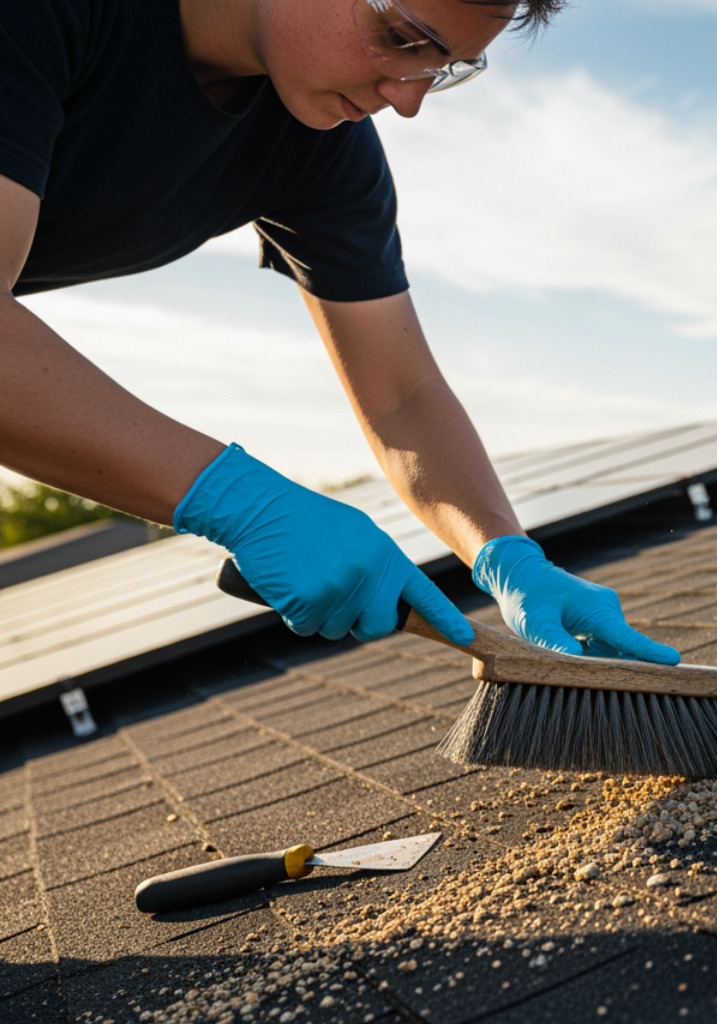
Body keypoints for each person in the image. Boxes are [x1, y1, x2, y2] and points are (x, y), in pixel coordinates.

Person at [0, 0, 678, 664]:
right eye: (402, 38)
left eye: (444, 68)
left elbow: (401, 393)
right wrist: (238, 501)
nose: (407, 100)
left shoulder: (318, 146)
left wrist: (504, 553)